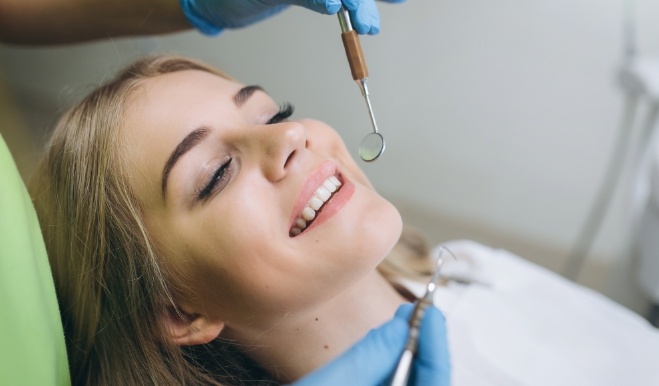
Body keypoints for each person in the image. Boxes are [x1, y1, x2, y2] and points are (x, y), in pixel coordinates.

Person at [27, 54, 450, 385]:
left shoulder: (484, 271)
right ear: (178, 312)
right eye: (217, 174)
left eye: (274, 115)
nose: (288, 135)